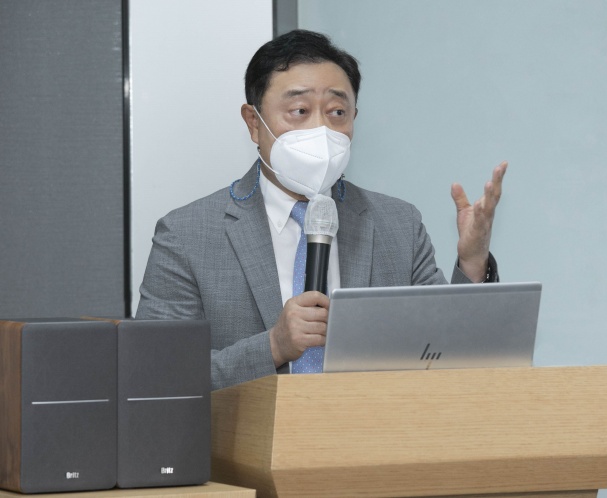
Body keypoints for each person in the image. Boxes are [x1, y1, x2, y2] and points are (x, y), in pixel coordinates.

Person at [136, 29, 507, 390]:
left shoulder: (398, 224)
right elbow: (157, 376)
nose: (321, 129)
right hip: (248, 434)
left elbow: (448, 355)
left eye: (337, 112)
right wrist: (273, 346)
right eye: (299, 110)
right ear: (254, 123)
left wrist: (472, 262)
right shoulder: (186, 234)